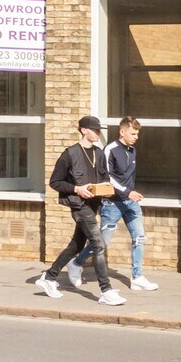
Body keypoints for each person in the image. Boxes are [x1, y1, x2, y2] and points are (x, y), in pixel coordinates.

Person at [37, 115, 122, 306]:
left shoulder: (99, 153)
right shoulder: (70, 154)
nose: (98, 133)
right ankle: (106, 291)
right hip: (79, 206)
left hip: (93, 205)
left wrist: (107, 189)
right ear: (84, 130)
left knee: (76, 245)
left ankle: (49, 277)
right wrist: (77, 189)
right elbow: (55, 182)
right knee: (99, 245)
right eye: (95, 130)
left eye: (99, 130)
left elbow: (104, 178)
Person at [73, 116, 157, 291]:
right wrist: (127, 192)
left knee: (139, 238)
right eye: (133, 134)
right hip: (112, 204)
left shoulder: (132, 150)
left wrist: (130, 194)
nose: (136, 137)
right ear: (122, 132)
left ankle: (137, 277)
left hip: (130, 203)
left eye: (137, 134)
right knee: (102, 242)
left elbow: (127, 177)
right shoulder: (110, 150)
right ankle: (77, 263)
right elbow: (107, 177)